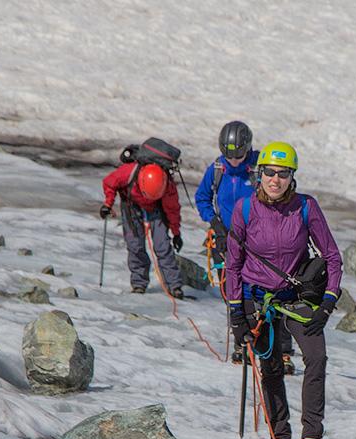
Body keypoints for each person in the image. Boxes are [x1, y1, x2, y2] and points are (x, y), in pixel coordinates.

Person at [224, 141, 344, 439]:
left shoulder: (306, 207)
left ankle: (312, 438)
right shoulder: (244, 210)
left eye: (283, 173)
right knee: (272, 366)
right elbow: (233, 266)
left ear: (292, 176)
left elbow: (332, 257)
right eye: (269, 173)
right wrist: (236, 314)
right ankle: (280, 437)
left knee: (316, 358)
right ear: (258, 173)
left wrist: (329, 303)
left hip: (296, 300)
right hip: (257, 301)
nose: (275, 180)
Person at [195, 122, 295, 372]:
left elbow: (282, 192)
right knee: (234, 290)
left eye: (239, 155)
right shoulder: (217, 168)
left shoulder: (261, 167)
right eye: (229, 155)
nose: (234, 161)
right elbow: (202, 198)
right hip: (227, 238)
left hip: (260, 240)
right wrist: (215, 222)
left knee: (273, 292)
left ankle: (282, 350)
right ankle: (243, 342)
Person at [100, 145, 186, 298]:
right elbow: (109, 183)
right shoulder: (129, 172)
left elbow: (173, 210)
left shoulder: (167, 186)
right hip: (131, 206)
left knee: (163, 246)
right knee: (135, 245)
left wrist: (176, 233)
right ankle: (139, 283)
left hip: (156, 210)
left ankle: (175, 286)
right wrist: (108, 204)